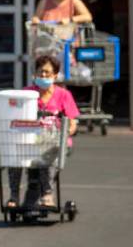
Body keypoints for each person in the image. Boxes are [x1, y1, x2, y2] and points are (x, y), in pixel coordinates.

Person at [7, 53, 80, 209]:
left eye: (47, 72)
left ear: (55, 75)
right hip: (30, 140)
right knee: (13, 155)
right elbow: (15, 116)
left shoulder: (64, 95)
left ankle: (47, 193)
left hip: (54, 141)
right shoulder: (26, 94)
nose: (44, 75)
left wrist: (66, 132)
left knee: (47, 152)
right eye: (41, 71)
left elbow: (73, 123)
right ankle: (13, 196)